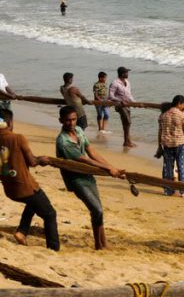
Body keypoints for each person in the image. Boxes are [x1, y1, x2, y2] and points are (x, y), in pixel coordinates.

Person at [54, 105, 124, 250]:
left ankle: (102, 243)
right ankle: (99, 244)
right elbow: (85, 160)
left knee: (98, 209)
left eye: (73, 119)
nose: (71, 123)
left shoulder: (79, 131)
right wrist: (109, 169)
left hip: (87, 176)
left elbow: (92, 152)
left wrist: (113, 168)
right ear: (61, 120)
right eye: (68, 120)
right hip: (76, 179)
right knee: (97, 209)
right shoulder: (63, 141)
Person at [0, 108, 58, 251]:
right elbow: (32, 161)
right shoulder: (18, 138)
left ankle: (22, 231)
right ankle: (53, 249)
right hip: (25, 187)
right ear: (9, 122)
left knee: (32, 204)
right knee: (50, 214)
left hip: (9, 188)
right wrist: (41, 160)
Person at [158, 95, 184, 196]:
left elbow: (160, 132)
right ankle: (183, 191)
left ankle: (168, 190)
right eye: (183, 104)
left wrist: (159, 145)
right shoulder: (182, 115)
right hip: (180, 144)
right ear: (179, 103)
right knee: (180, 167)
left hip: (167, 144)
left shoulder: (163, 116)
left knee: (168, 167)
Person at [106, 66, 136, 147]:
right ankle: (127, 141)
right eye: (126, 72)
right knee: (128, 122)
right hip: (120, 105)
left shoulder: (127, 82)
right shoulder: (114, 83)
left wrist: (135, 103)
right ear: (122, 74)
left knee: (127, 123)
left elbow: (129, 95)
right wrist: (120, 100)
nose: (128, 74)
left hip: (127, 105)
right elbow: (111, 96)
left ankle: (127, 141)